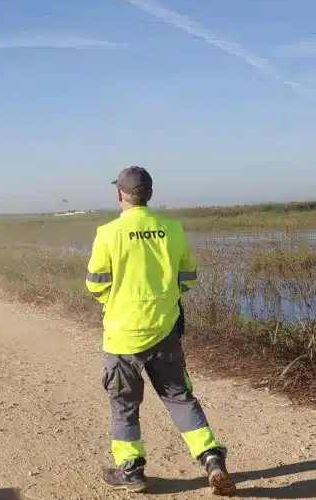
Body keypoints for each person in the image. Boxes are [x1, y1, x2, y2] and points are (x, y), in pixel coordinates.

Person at [86, 166, 236, 495]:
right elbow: (188, 280)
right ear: (150, 194)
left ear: (119, 195)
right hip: (165, 331)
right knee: (180, 398)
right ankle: (211, 458)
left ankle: (131, 470)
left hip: (122, 336)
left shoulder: (107, 233)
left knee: (124, 404)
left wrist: (116, 301)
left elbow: (96, 284)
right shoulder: (172, 229)